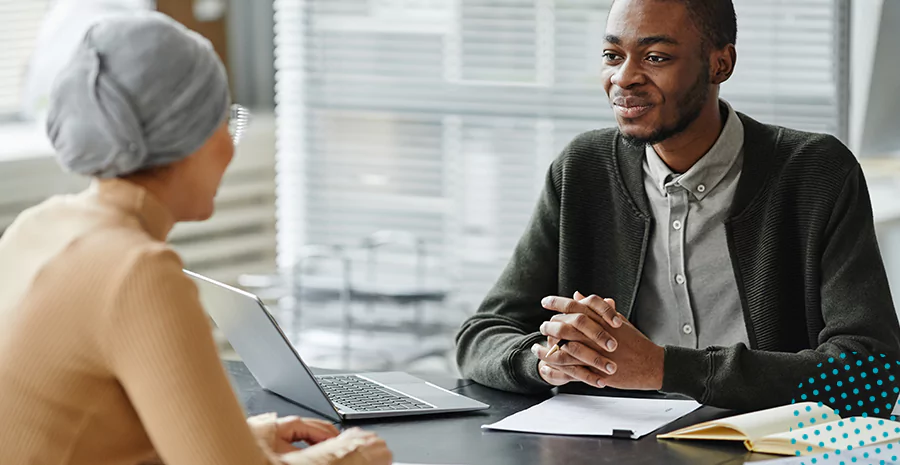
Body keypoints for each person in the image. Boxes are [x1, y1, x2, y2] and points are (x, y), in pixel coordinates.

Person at [456, 0, 900, 415]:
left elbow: (873, 379)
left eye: (656, 58)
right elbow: (480, 337)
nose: (624, 78)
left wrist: (665, 369)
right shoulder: (583, 168)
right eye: (613, 55)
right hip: (608, 450)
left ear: (719, 64)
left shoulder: (815, 173)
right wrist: (547, 363)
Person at [0, 12, 391, 465]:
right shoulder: (136, 270)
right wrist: (349, 455)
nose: (230, 145)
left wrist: (234, 437)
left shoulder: (37, 225)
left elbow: (87, 433)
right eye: (223, 122)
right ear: (187, 137)